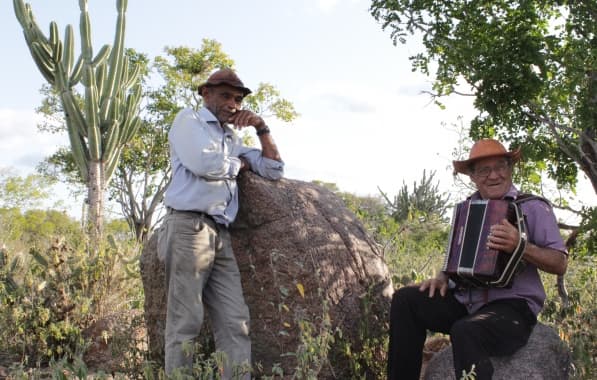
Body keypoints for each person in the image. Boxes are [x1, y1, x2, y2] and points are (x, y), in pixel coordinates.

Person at [386, 139, 568, 380]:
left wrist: (520, 245)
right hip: (465, 303)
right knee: (405, 300)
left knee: (466, 330)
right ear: (472, 176)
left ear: (510, 169)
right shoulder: (466, 209)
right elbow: (456, 259)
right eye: (484, 170)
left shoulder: (533, 207)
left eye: (500, 167)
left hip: (512, 309)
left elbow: (559, 263)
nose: (494, 175)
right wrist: (442, 278)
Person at [159, 68, 284, 378]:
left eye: (238, 99)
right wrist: (238, 164)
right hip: (188, 227)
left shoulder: (230, 137)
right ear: (206, 94)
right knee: (185, 321)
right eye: (226, 95)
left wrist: (261, 127)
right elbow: (204, 164)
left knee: (235, 321)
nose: (233, 103)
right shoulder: (190, 121)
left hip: (219, 233)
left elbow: (273, 168)